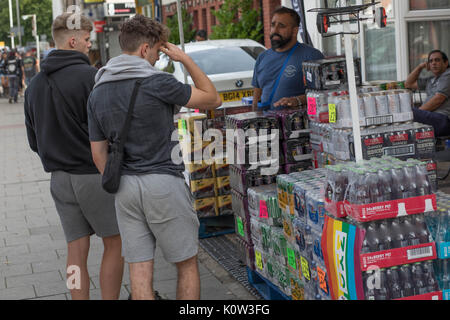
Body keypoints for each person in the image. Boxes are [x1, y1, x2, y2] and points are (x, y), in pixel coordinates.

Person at [88, 14, 221, 300]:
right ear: (145, 49)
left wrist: (119, 183)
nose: (157, 59)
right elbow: (212, 99)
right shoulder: (159, 82)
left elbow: (98, 152)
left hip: (124, 188)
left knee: (139, 271)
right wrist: (184, 59)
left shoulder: (97, 90)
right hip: (163, 183)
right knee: (186, 264)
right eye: (158, 51)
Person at [24, 13, 124, 300]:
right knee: (114, 244)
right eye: (87, 39)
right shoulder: (93, 78)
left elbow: (34, 141)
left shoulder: (34, 86)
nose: (89, 45)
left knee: (75, 252)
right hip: (93, 176)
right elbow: (110, 128)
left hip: (60, 181)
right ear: (73, 39)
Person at [252, 6, 324, 111]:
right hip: (268, 125)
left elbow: (325, 95)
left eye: (281, 26)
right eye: (273, 25)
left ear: (295, 31)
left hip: (299, 124)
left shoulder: (312, 56)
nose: (275, 30)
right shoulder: (262, 57)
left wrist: (298, 100)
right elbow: (257, 98)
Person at [405, 50, 450, 137]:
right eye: (431, 61)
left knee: (409, 112)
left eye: (437, 60)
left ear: (446, 63)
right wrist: (420, 67)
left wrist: (417, 113)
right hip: (432, 118)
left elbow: (438, 99)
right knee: (408, 112)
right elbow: (408, 84)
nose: (433, 63)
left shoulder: (448, 75)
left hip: (443, 120)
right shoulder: (431, 79)